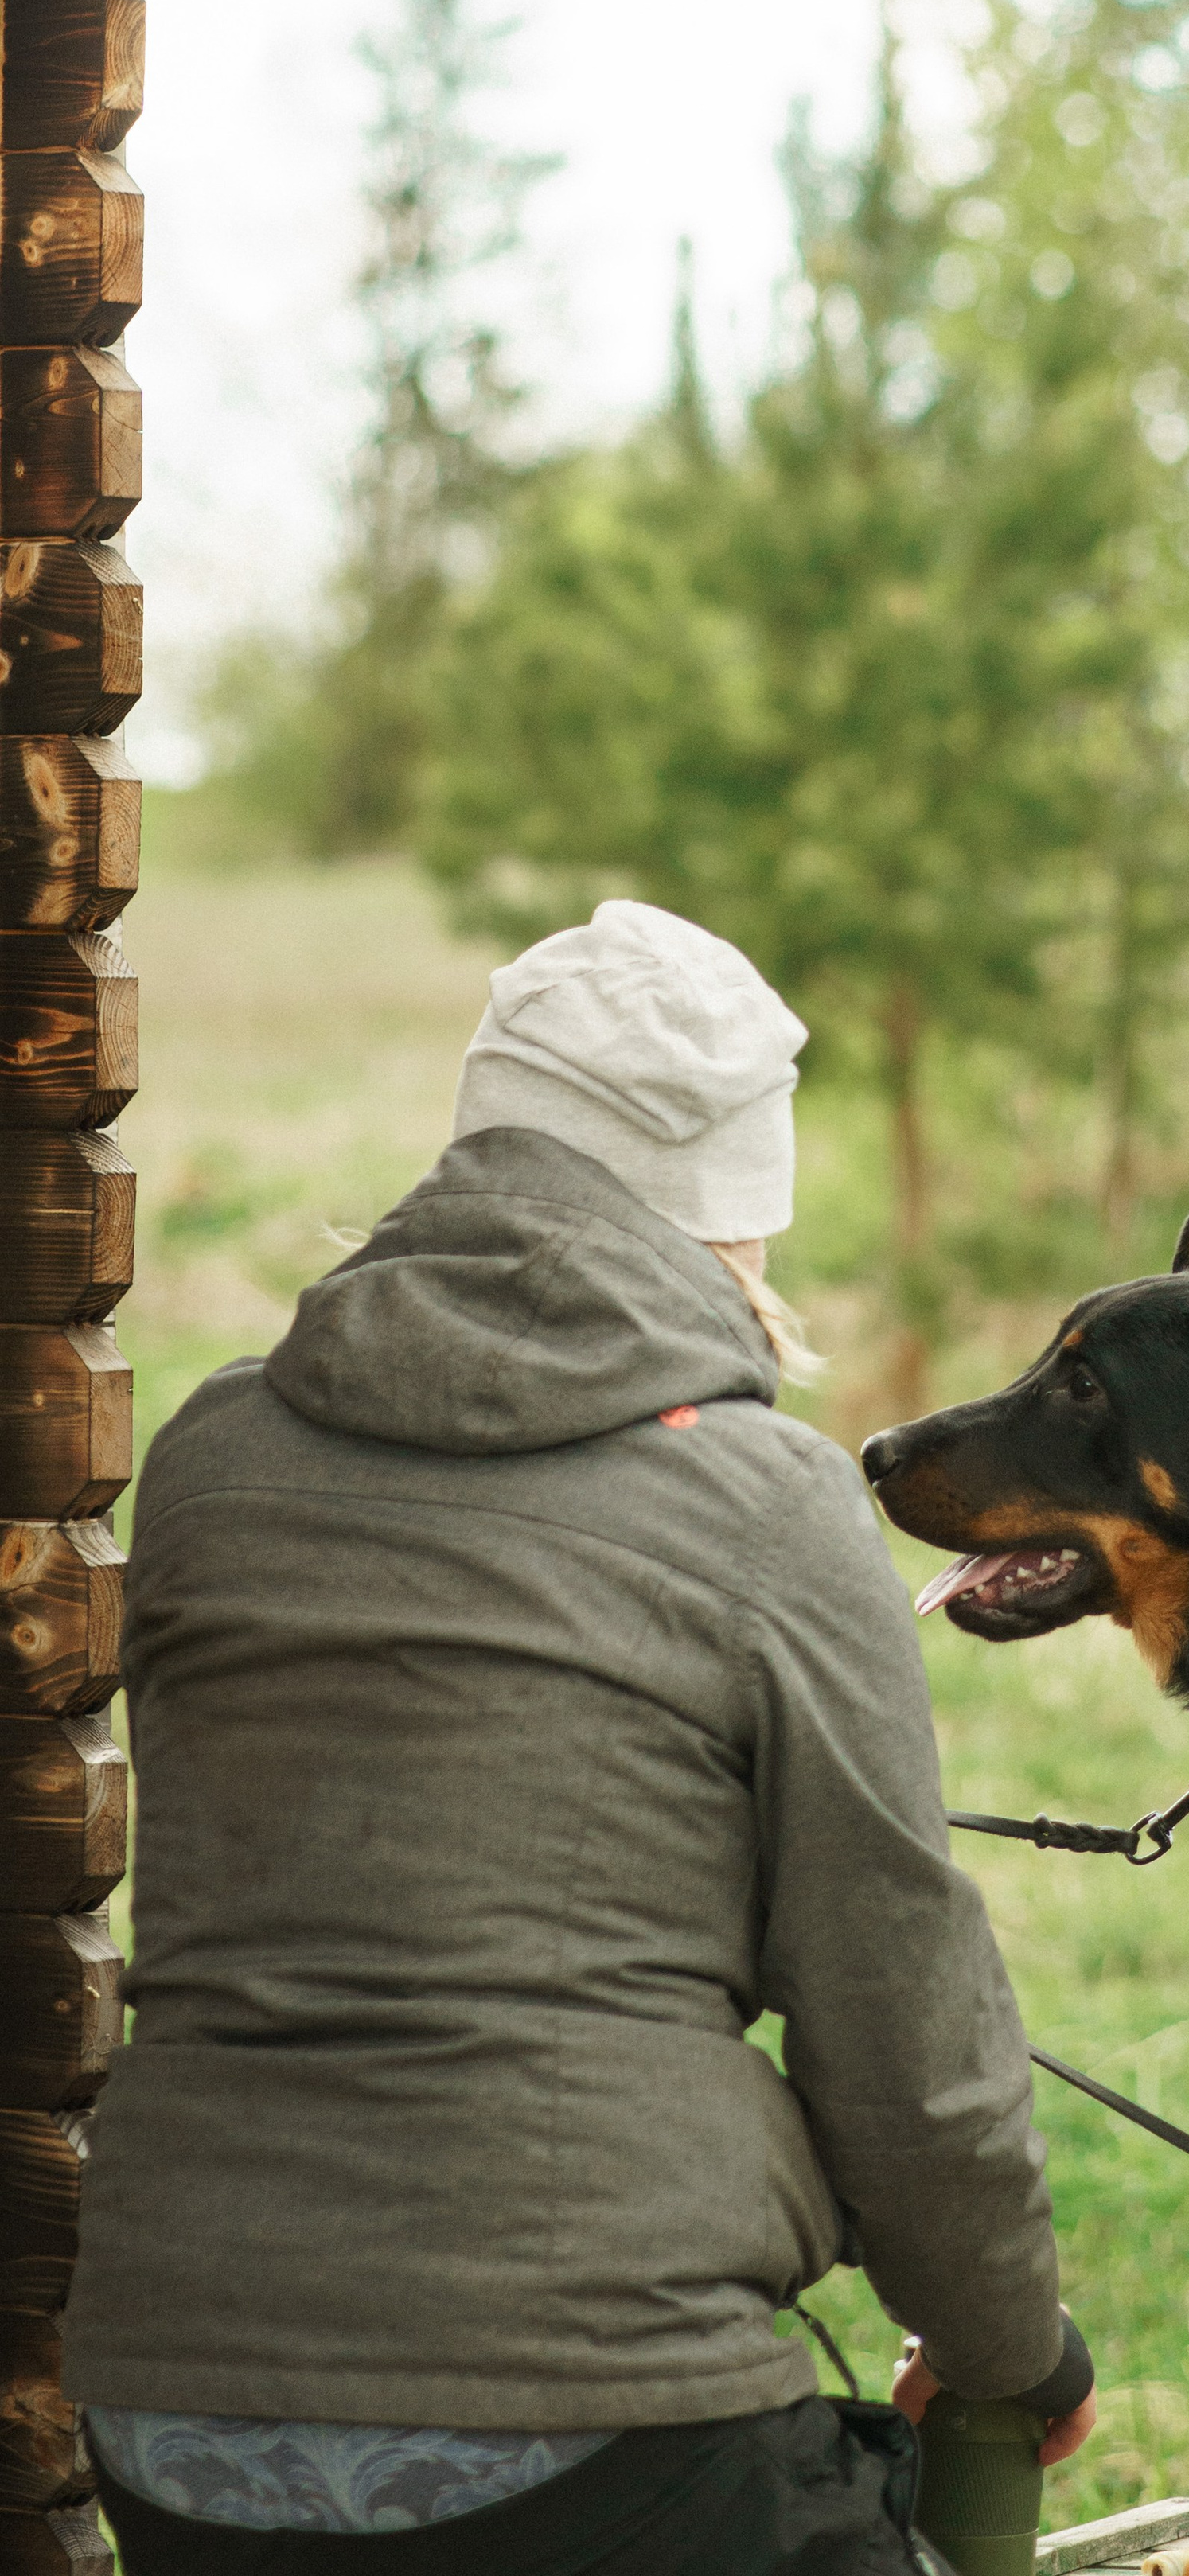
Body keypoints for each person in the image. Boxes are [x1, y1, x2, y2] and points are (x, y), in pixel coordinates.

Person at [65, 900, 1096, 2574]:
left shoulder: (212, 1456)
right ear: (733, 1222)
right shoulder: (767, 1501)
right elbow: (903, 2026)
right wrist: (1014, 2352)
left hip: (175, 2421)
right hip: (593, 2427)